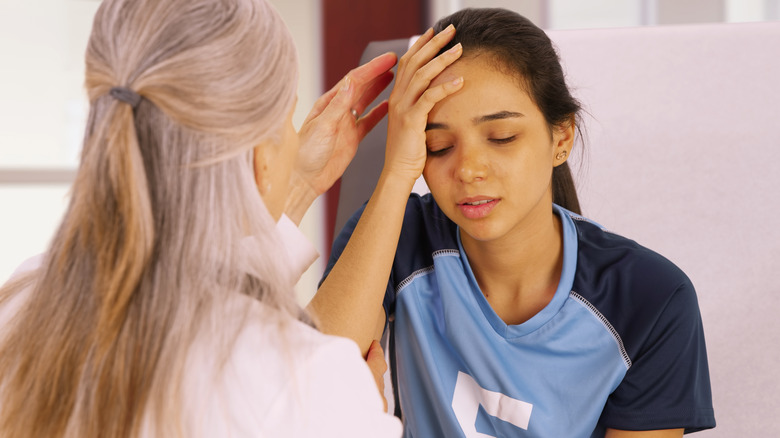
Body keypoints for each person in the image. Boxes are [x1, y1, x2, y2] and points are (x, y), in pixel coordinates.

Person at [0, 0, 402, 436]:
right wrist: (359, 412)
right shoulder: (307, 382)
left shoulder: (23, 301)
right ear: (260, 156)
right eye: (287, 119)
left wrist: (297, 184)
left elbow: (192, 287)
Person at [312, 8, 715, 438]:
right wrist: (396, 173)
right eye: (438, 145)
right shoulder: (396, 236)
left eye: (502, 137)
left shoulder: (650, 297)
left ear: (561, 138)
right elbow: (311, 385)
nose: (469, 170)